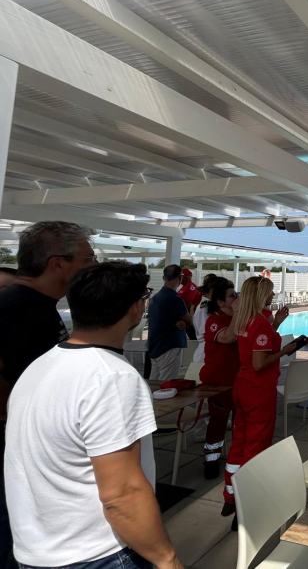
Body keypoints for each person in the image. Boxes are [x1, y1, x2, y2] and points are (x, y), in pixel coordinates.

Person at [4, 262, 182, 568]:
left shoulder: (40, 366)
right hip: (97, 555)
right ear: (136, 309)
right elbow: (122, 495)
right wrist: (167, 559)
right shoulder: (112, 378)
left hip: (37, 551)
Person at [0, 221, 95, 567]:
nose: (93, 266)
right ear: (58, 263)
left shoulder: (37, 303)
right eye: (87, 259)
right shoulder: (15, 307)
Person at [222, 276, 306, 522]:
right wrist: (285, 351)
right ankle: (248, 502)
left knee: (239, 441)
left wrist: (277, 324)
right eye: (269, 293)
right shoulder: (258, 323)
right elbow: (260, 362)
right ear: (260, 295)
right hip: (258, 391)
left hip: (242, 386)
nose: (272, 296)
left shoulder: (246, 321)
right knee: (256, 444)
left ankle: (230, 495)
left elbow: (257, 348)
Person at [199, 278, 240, 480]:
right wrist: (239, 314)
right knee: (218, 421)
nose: (236, 298)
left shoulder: (235, 319)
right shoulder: (213, 321)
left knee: (239, 421)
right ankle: (211, 460)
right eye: (232, 296)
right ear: (221, 302)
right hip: (218, 381)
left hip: (236, 380)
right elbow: (227, 338)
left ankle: (236, 459)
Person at [145, 265, 194, 380]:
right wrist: (192, 309)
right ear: (180, 278)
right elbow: (190, 320)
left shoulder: (155, 298)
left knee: (154, 382)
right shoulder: (175, 299)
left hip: (155, 346)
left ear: (163, 277)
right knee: (167, 384)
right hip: (169, 346)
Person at [191, 274, 218, 362]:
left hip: (208, 350)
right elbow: (206, 333)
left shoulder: (210, 306)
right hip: (205, 352)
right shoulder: (204, 309)